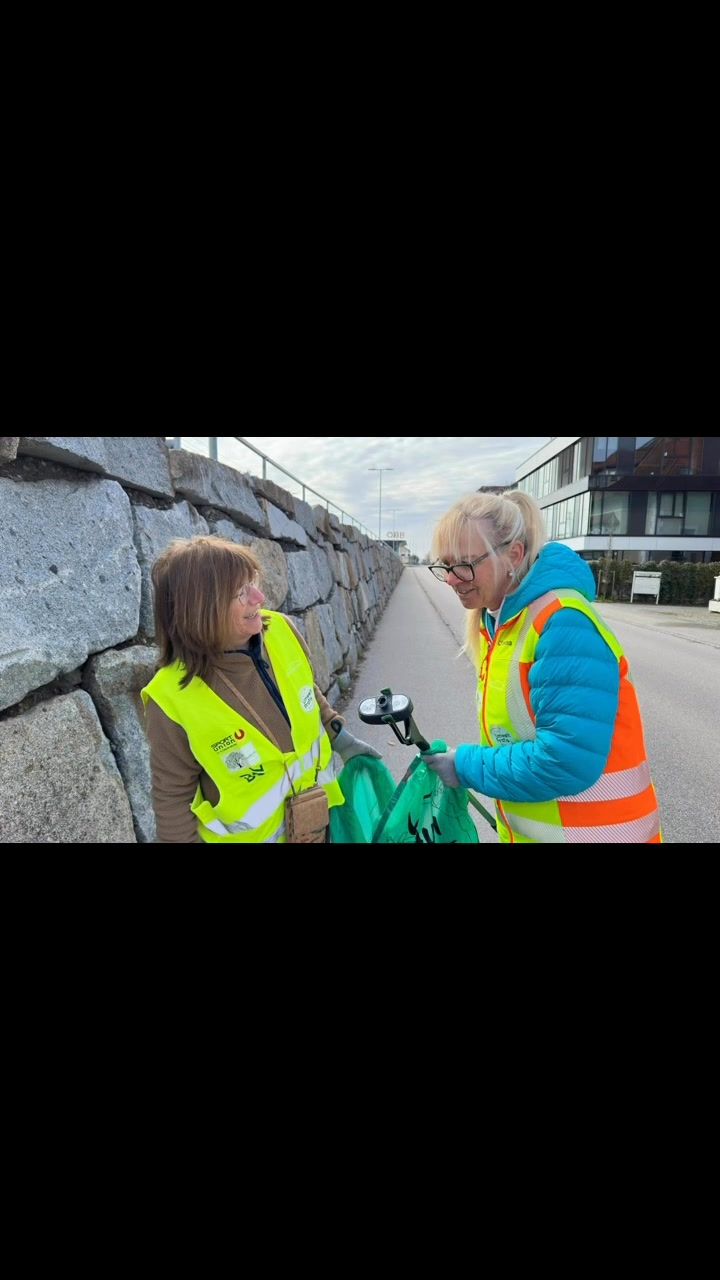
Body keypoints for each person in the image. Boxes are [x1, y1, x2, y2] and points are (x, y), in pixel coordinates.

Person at [422, 491, 662, 844]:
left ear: (514, 555)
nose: (453, 579)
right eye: (445, 565)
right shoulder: (503, 625)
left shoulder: (562, 623)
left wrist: (465, 766)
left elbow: (565, 760)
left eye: (465, 564)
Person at [141, 536, 379, 844]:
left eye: (253, 582)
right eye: (241, 592)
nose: (259, 597)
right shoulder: (170, 699)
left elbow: (306, 689)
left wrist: (340, 736)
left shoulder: (281, 630)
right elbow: (173, 799)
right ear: (201, 609)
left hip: (320, 824)